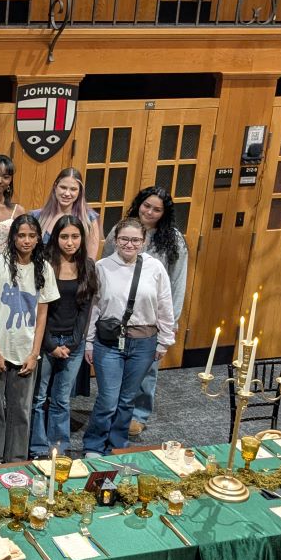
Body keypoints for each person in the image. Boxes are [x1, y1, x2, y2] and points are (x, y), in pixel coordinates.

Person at [83, 218, 175, 457]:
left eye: (135, 240)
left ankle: (116, 444)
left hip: (144, 342)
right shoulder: (102, 267)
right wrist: (89, 342)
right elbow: (94, 307)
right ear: (115, 240)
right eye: (124, 239)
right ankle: (94, 444)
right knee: (108, 398)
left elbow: (165, 305)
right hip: (109, 342)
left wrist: (165, 340)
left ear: (143, 242)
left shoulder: (154, 268)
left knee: (127, 399)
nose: (129, 244)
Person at [102, 186, 188, 437]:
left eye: (156, 209)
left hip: (151, 318)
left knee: (147, 370)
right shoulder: (120, 230)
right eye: (146, 205)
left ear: (164, 213)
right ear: (138, 204)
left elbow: (177, 282)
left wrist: (170, 323)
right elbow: (105, 268)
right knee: (115, 368)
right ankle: (114, 412)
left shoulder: (173, 239)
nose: (149, 212)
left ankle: (138, 415)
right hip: (117, 316)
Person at [0, 215, 59, 464]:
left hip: (25, 350)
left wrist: (34, 354)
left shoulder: (44, 268)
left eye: (32, 236)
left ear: (38, 238)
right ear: (13, 237)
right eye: (21, 235)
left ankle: (17, 462)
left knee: (21, 410)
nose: (26, 240)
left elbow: (42, 314)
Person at [28, 215, 97, 458]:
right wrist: (50, 345)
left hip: (72, 343)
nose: (70, 242)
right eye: (64, 236)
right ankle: (37, 447)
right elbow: (37, 309)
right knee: (38, 397)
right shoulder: (44, 264)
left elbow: (85, 311)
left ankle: (58, 447)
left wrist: (74, 342)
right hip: (46, 341)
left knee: (62, 399)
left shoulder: (88, 266)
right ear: (56, 238)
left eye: (75, 236)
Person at [30, 167, 101, 260]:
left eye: (73, 189)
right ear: (55, 187)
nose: (67, 193)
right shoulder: (36, 216)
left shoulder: (89, 219)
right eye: (63, 187)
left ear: (79, 192)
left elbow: (90, 260)